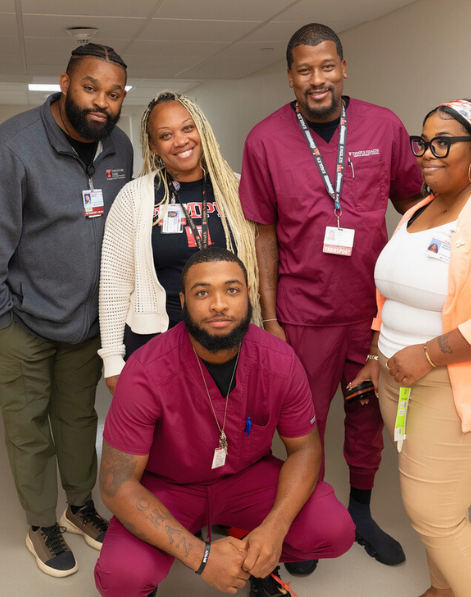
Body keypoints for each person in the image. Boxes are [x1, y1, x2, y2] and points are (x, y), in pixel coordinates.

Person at [238, 22, 423, 572]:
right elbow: (263, 234)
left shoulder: (384, 126)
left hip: (372, 314)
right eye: (303, 69)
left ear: (343, 68)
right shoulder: (265, 139)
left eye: (326, 67)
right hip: (303, 314)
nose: (316, 79)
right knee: (304, 424)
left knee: (367, 420)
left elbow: (415, 209)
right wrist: (270, 317)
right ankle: (308, 518)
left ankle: (361, 513)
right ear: (290, 75)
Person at [0, 43, 133, 578]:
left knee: (79, 419)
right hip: (23, 325)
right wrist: (2, 316)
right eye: (90, 87)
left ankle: (79, 508)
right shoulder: (10, 150)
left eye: (114, 93)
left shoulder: (118, 148)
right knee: (28, 426)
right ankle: (40, 522)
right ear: (65, 82)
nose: (101, 101)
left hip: (85, 322)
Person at [355, 99, 471, 597]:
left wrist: (428, 354)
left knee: (435, 515)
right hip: (399, 380)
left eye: (442, 143)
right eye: (423, 142)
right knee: (430, 506)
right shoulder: (419, 209)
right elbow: (391, 293)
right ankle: (443, 590)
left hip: (455, 383)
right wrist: (378, 358)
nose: (425, 154)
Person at [94, 247, 355, 597]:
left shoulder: (280, 360)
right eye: (203, 293)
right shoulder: (145, 371)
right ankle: (189, 557)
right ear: (184, 301)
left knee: (334, 529)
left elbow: (305, 448)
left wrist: (273, 530)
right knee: (122, 578)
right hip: (168, 487)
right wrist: (201, 558)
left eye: (232, 290)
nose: (219, 304)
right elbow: (116, 484)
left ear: (248, 296)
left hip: (245, 480)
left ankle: (258, 562)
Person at [99, 91, 260, 394]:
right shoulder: (135, 198)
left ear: (202, 129)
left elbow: (259, 267)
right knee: (164, 436)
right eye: (166, 134)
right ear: (153, 146)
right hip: (155, 344)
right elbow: (114, 284)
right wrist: (112, 360)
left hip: (228, 340)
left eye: (188, 128)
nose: (181, 140)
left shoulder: (238, 189)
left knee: (227, 429)